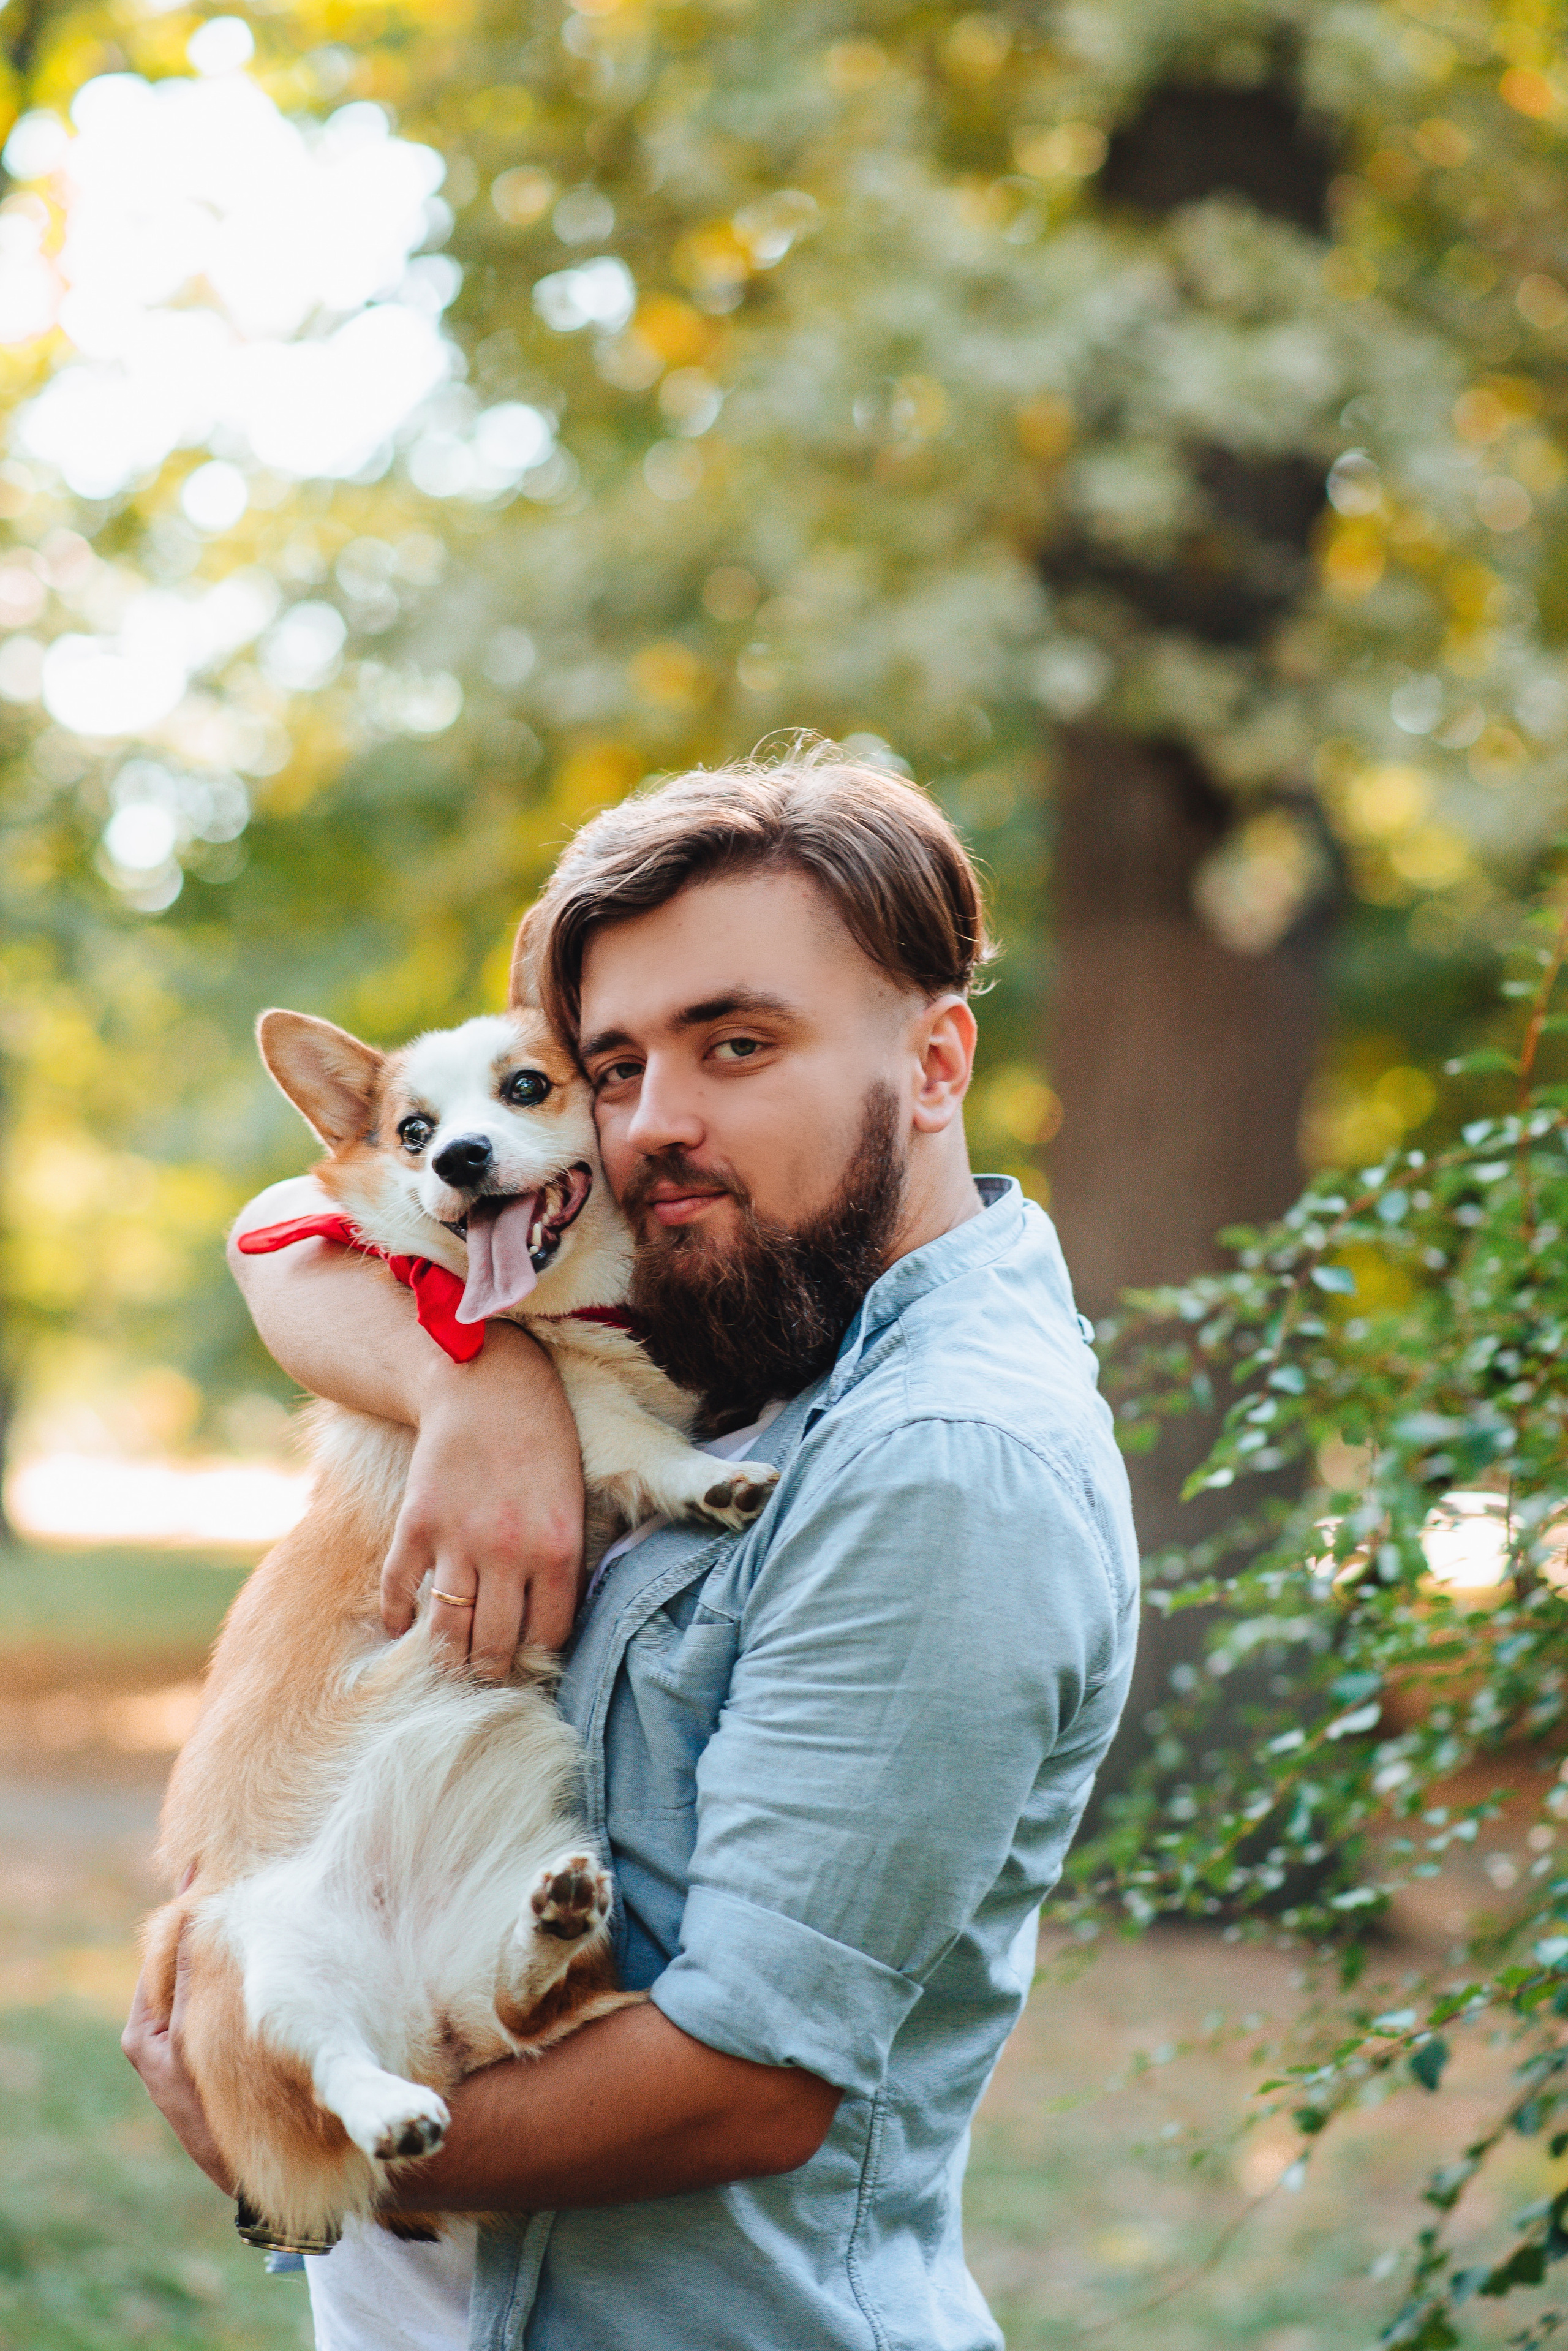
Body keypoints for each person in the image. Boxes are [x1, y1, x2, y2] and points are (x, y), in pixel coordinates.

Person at [124, 744, 1139, 2351]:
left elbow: (744, 2086)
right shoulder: (708, 1292)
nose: (659, 1121)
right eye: (611, 1065)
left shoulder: (943, 1465)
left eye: (738, 1043)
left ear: (937, 1062)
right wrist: (473, 1384)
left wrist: (278, 2127)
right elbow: (293, 1225)